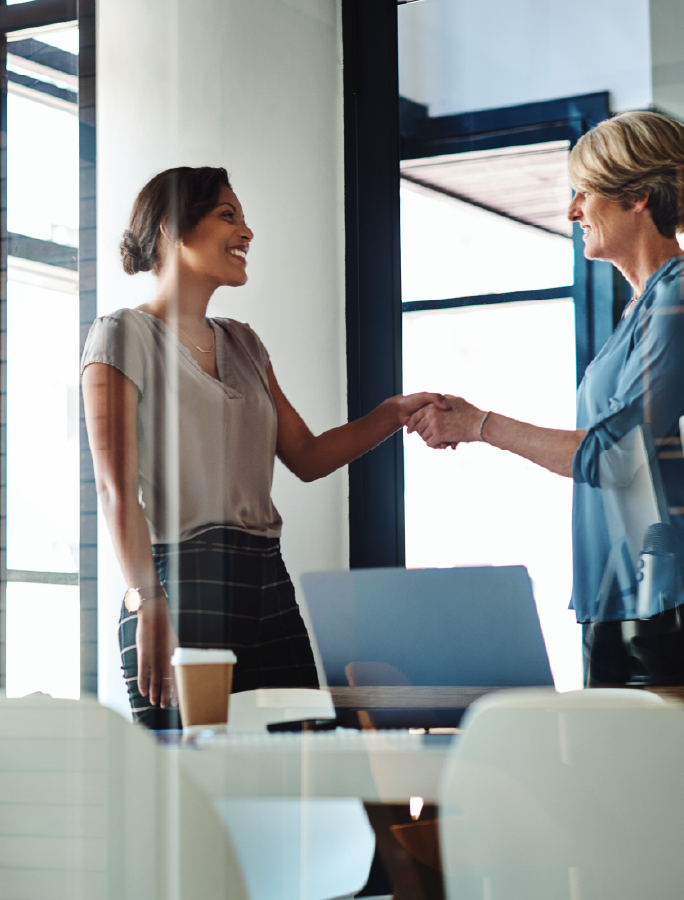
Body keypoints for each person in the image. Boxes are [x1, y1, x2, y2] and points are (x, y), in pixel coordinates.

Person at [82, 167, 445, 727]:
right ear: (168, 230)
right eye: (229, 216)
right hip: (175, 586)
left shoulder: (245, 343)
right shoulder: (120, 335)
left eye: (244, 218)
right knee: (193, 791)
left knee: (298, 775)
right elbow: (114, 489)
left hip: (266, 583)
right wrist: (147, 601)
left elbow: (307, 456)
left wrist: (392, 415)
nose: (246, 232)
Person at [406, 111, 684, 688]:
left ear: (639, 195)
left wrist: (479, 425)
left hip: (676, 605)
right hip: (623, 600)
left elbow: (614, 456)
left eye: (584, 193)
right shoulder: (640, 310)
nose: (572, 211)